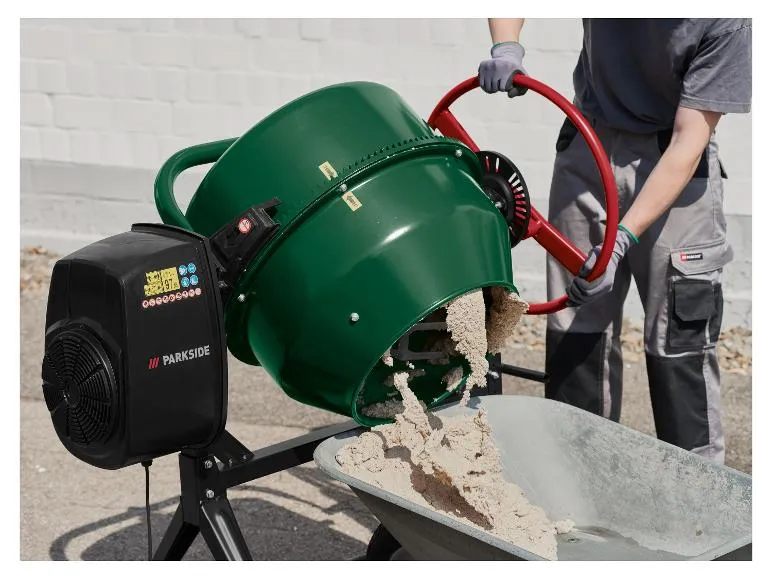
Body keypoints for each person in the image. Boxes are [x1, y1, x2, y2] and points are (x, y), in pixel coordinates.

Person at [478, 18, 751, 463]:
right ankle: (578, 475)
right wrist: (506, 46)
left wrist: (621, 240)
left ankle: (696, 491)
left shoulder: (726, 21)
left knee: (678, 338)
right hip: (589, 143)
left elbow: (689, 141)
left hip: (674, 157)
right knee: (576, 323)